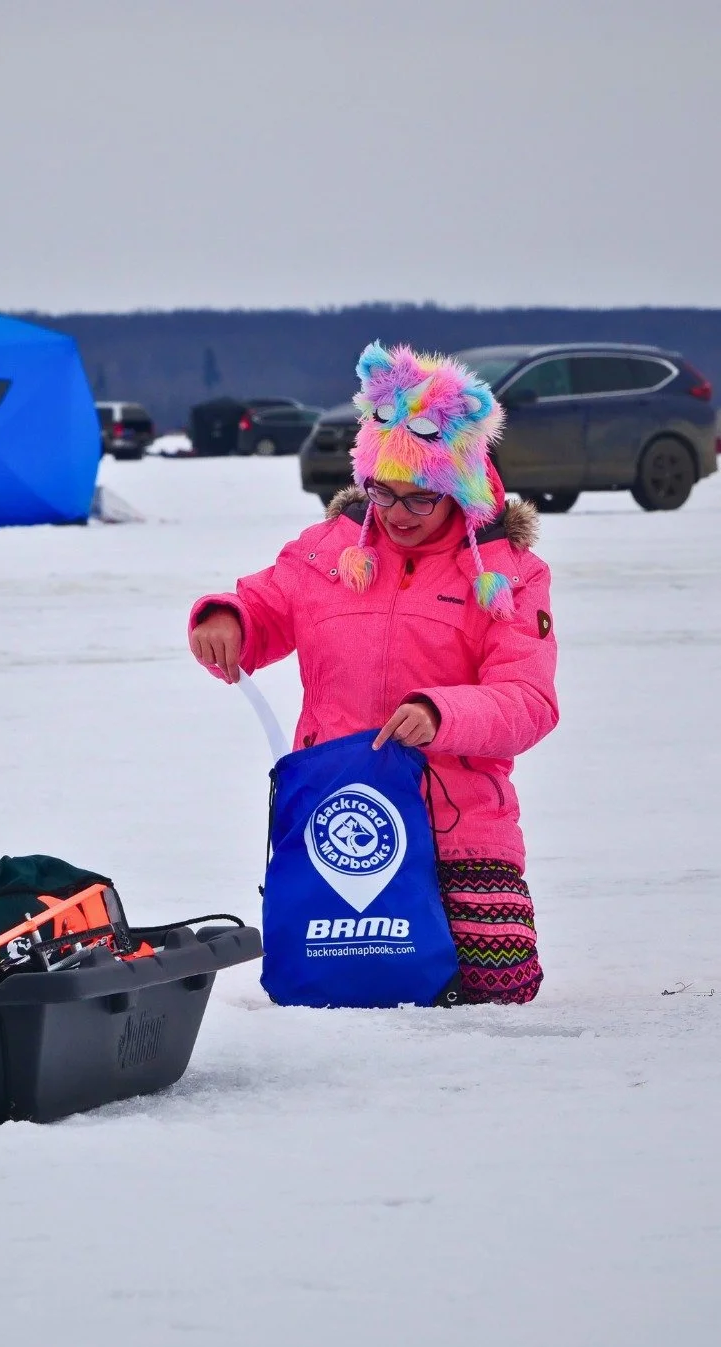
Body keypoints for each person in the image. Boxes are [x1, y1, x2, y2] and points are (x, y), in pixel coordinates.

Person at [188, 341, 559, 1004]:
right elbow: (269, 605)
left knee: (497, 989)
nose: (396, 515)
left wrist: (442, 717)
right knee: (330, 980)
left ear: (460, 488)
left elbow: (528, 701)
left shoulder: (507, 575)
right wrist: (229, 620)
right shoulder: (331, 551)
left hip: (456, 819)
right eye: (384, 493)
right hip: (342, 807)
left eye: (420, 499)